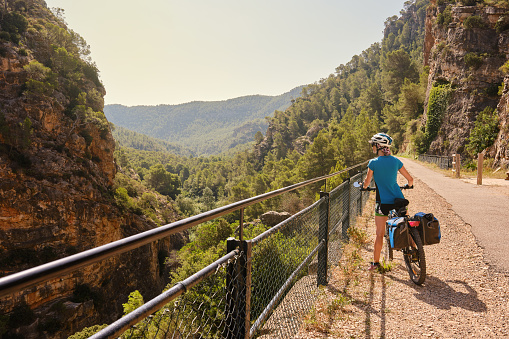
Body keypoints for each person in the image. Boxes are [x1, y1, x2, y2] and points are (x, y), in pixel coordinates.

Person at [362, 133, 413, 271]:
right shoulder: (396, 161)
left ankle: (375, 263)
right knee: (407, 225)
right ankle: (415, 251)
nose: (372, 147)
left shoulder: (373, 163)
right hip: (399, 200)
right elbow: (410, 179)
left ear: (378, 146)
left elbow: (367, 182)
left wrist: (364, 186)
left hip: (382, 203)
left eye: (373, 145)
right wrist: (408, 185)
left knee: (379, 233)